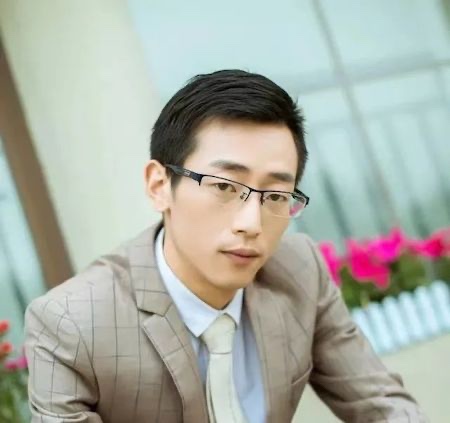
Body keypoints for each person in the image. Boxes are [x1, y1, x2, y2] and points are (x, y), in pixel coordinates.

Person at [24, 69, 426, 423]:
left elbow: (383, 405)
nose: (251, 224)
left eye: (275, 196)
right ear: (159, 186)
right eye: (224, 187)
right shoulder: (71, 323)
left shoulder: (300, 270)